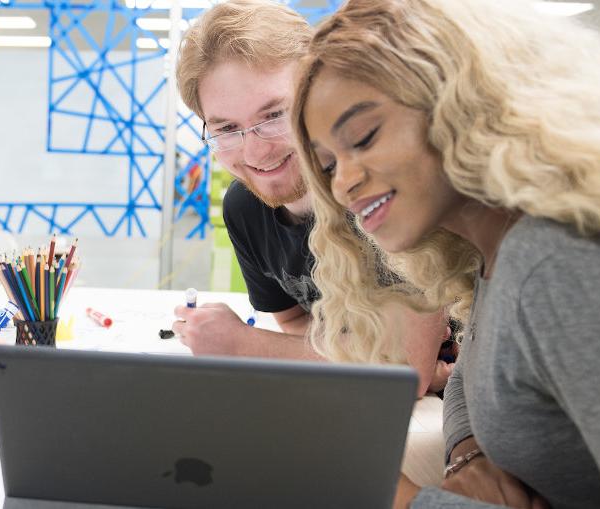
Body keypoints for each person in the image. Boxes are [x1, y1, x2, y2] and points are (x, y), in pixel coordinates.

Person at [292, 0, 600, 507]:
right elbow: (474, 375)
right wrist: (468, 450)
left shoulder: (558, 268)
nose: (344, 182)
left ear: (457, 101)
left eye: (363, 138)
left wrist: (403, 501)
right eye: (327, 165)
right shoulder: (495, 253)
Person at [172, 0, 453, 495]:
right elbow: (302, 324)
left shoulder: (379, 186)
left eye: (274, 114)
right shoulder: (244, 207)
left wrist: (242, 345)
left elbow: (400, 373)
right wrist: (364, 357)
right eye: (227, 129)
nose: (256, 152)